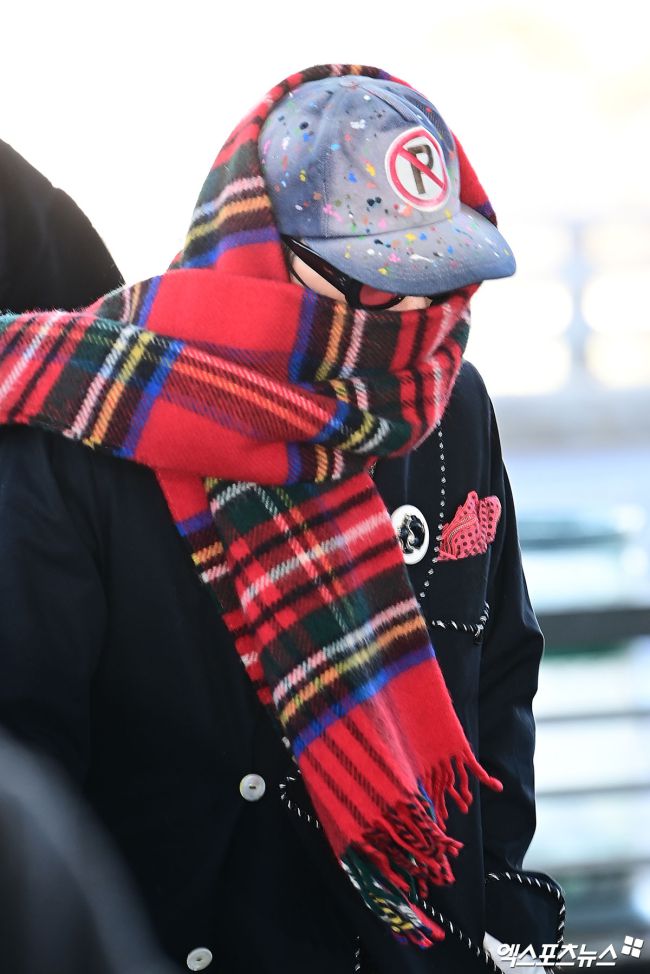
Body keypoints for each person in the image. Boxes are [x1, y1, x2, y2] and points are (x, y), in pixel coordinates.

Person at [0, 64, 564, 973]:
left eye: (438, 277)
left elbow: (499, 677)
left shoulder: (450, 407)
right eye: (371, 279)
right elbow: (28, 761)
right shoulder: (83, 429)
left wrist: (496, 910)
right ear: (260, 247)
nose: (412, 315)